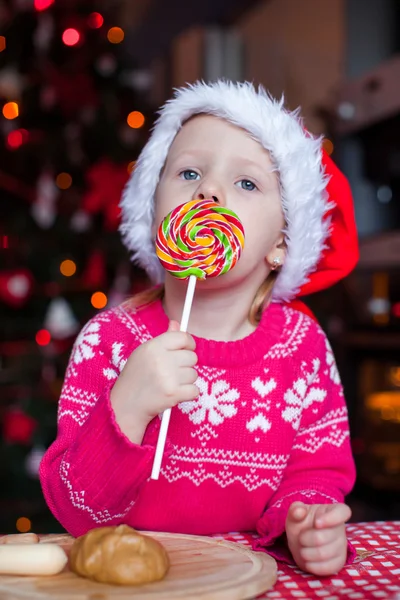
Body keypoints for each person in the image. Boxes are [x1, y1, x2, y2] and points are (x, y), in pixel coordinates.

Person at [39, 81, 359, 576]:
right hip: (127, 580)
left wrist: (306, 521)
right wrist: (125, 407)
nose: (208, 190)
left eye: (247, 183)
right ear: (153, 212)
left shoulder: (302, 347)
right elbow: (76, 512)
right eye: (189, 172)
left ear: (282, 244)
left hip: (247, 578)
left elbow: (315, 473)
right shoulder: (108, 340)